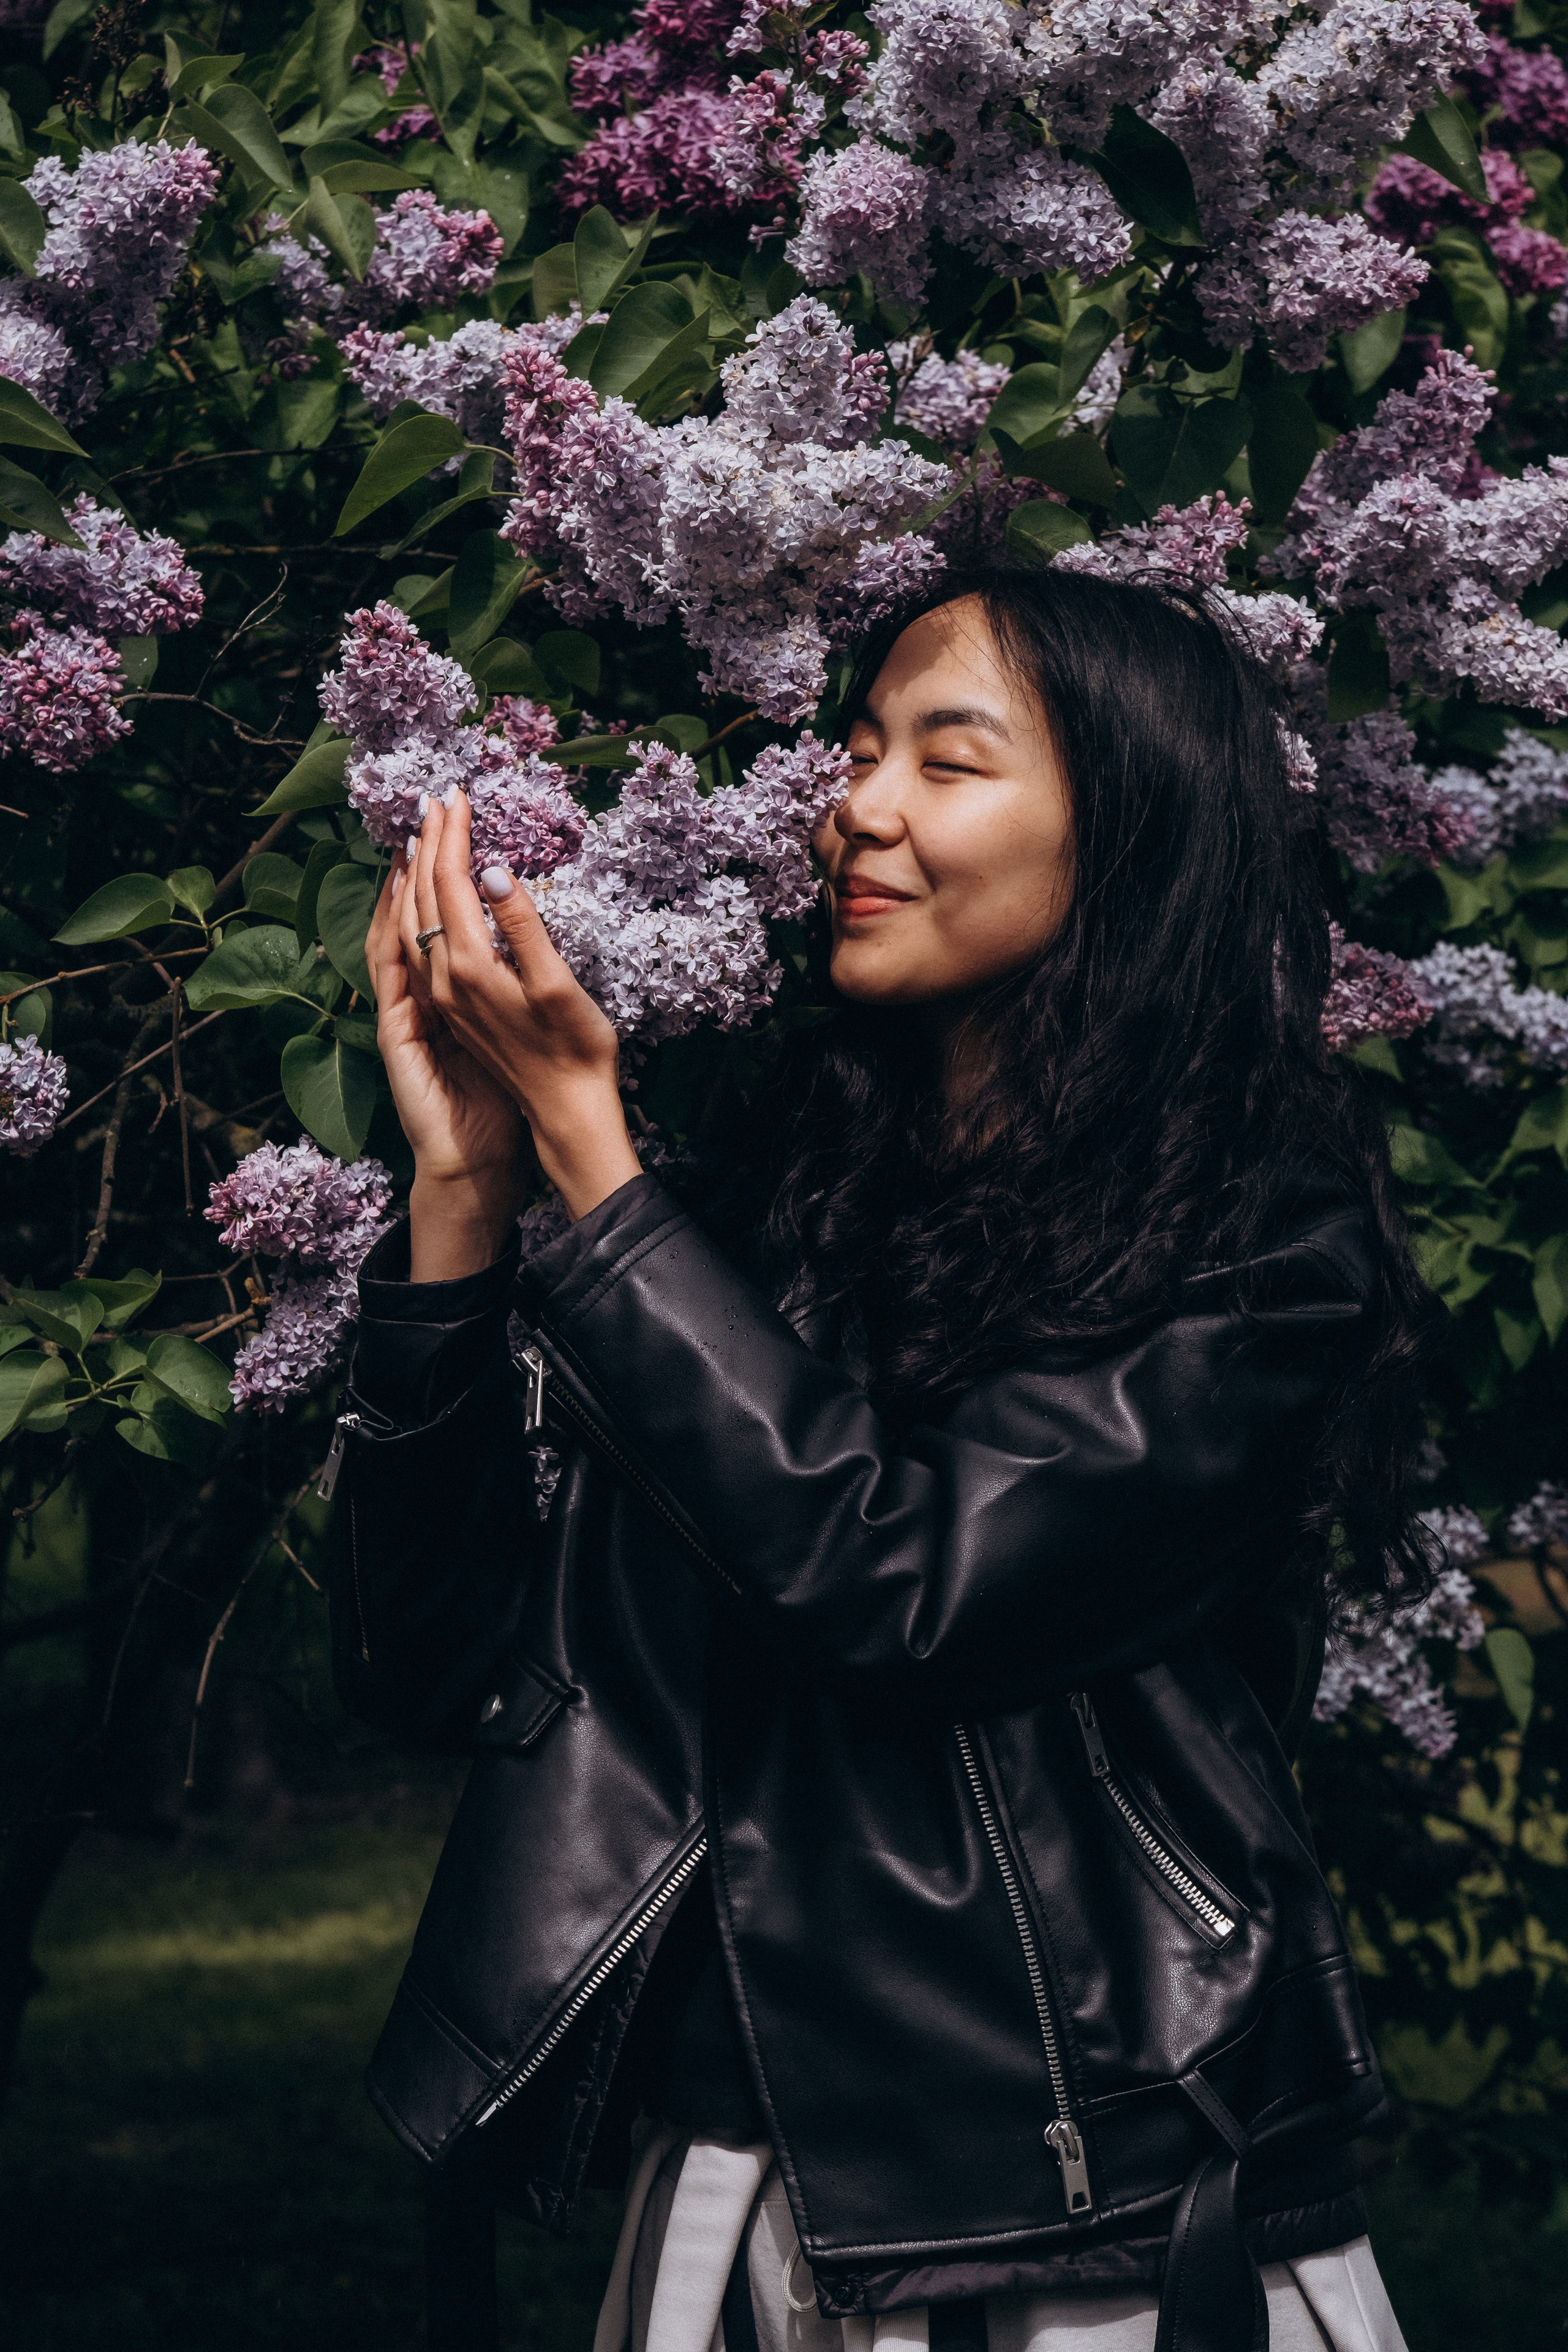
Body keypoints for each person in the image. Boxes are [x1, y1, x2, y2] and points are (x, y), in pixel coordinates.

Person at [331, 569, 1447, 2352]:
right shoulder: (762, 1221)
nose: (860, 806)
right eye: (857, 752)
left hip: (1092, 2226)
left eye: (948, 758)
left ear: (1132, 830)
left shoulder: (1256, 1244)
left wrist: (601, 1183)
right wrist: (468, 1193)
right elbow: (433, 1660)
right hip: (733, 2196)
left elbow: (912, 1587)